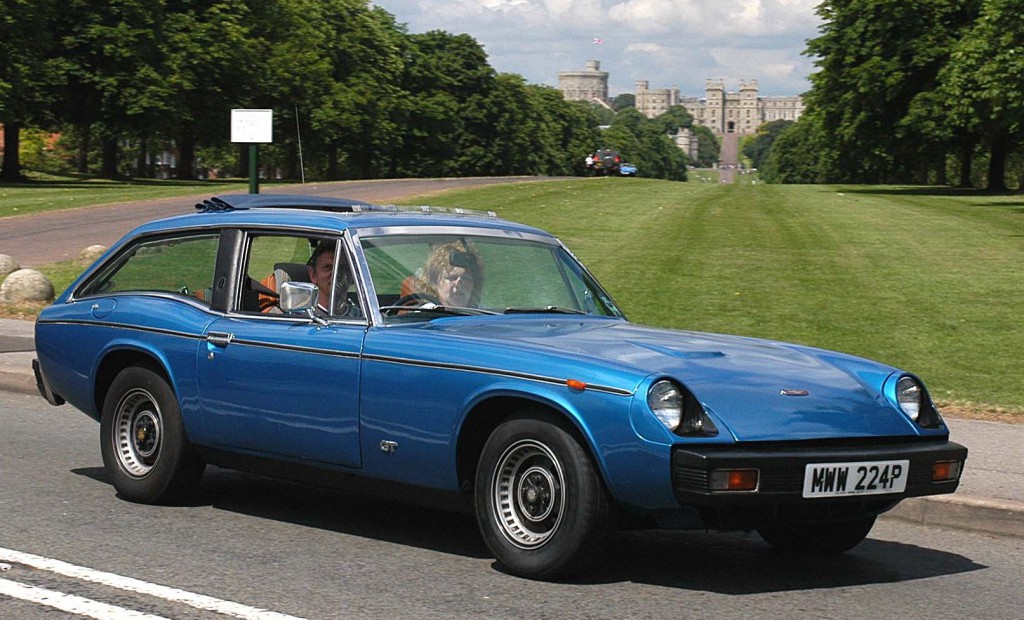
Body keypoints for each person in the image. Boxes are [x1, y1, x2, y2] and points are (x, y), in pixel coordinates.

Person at [411, 241, 484, 308]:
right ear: (434, 281)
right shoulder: (421, 317)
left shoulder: (485, 317)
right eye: (452, 278)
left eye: (466, 278)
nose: (459, 284)